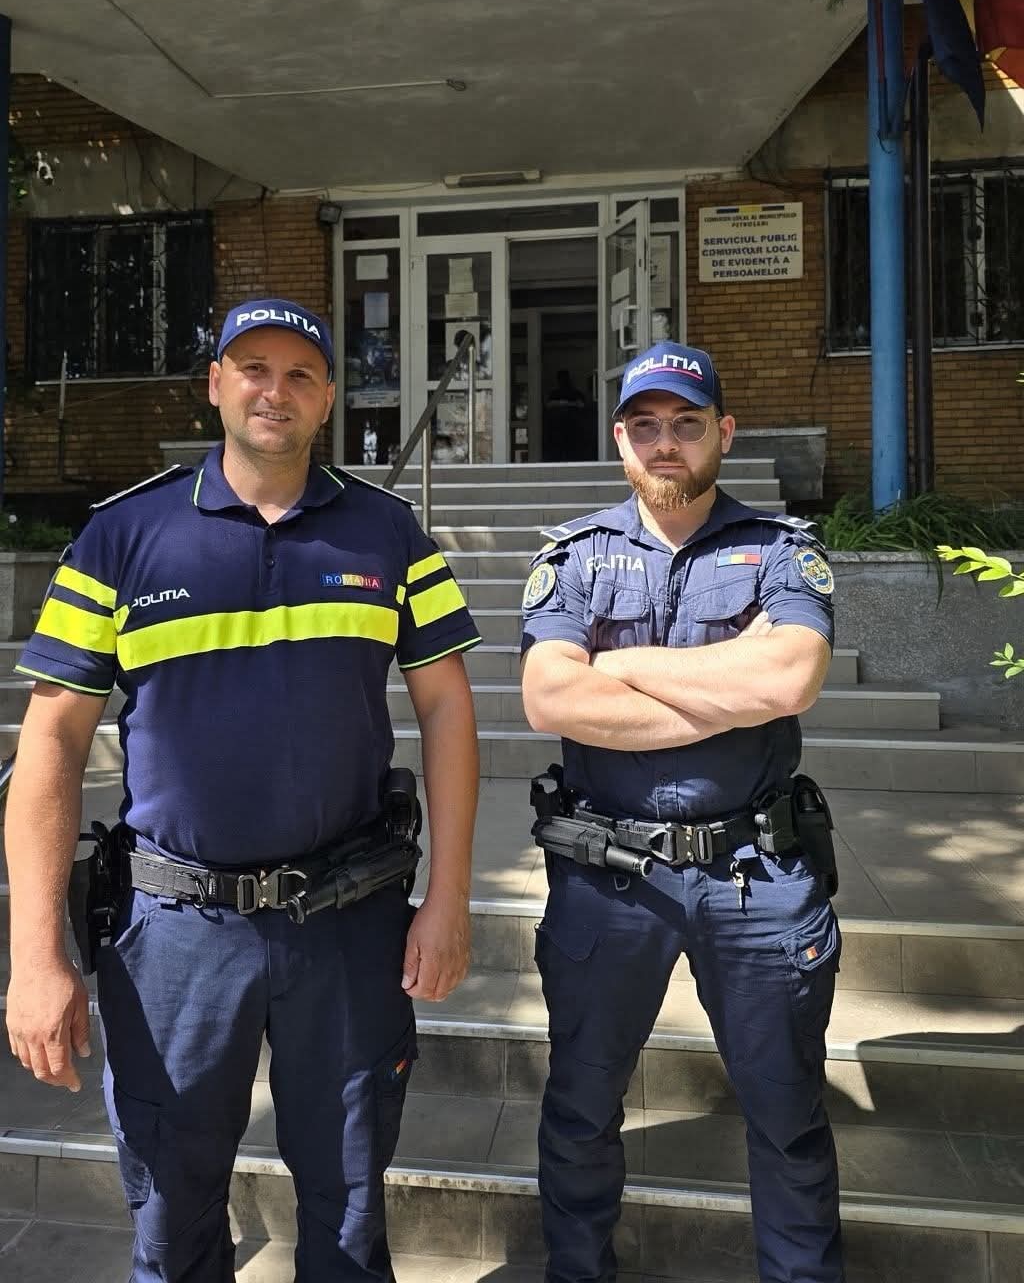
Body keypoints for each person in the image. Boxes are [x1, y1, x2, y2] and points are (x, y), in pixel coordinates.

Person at [5, 297, 481, 1283]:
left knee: (349, 1218)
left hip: (347, 923)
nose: (276, 390)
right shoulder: (120, 537)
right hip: (175, 936)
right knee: (171, 1221)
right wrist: (36, 955)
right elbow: (50, 741)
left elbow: (446, 707)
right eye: (253, 368)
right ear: (216, 385)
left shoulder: (388, 532)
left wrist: (448, 897)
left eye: (301, 373)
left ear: (329, 398)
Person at [520, 341, 842, 1283]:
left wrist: (618, 666)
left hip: (757, 881)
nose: (667, 443)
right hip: (608, 882)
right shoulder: (575, 557)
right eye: (646, 425)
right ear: (621, 439)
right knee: (580, 1110)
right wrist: (728, 687)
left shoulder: (780, 550)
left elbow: (789, 679)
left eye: (687, 424)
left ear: (723, 433)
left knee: (787, 1117)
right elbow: (550, 699)